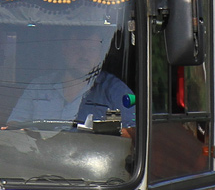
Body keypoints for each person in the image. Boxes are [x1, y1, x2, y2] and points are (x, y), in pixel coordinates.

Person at [7, 30, 135, 130]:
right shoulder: (39, 87)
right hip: (37, 159)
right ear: (65, 49)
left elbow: (133, 131)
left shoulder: (116, 90)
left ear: (101, 54)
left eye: (91, 49)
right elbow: (14, 125)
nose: (84, 55)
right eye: (77, 48)